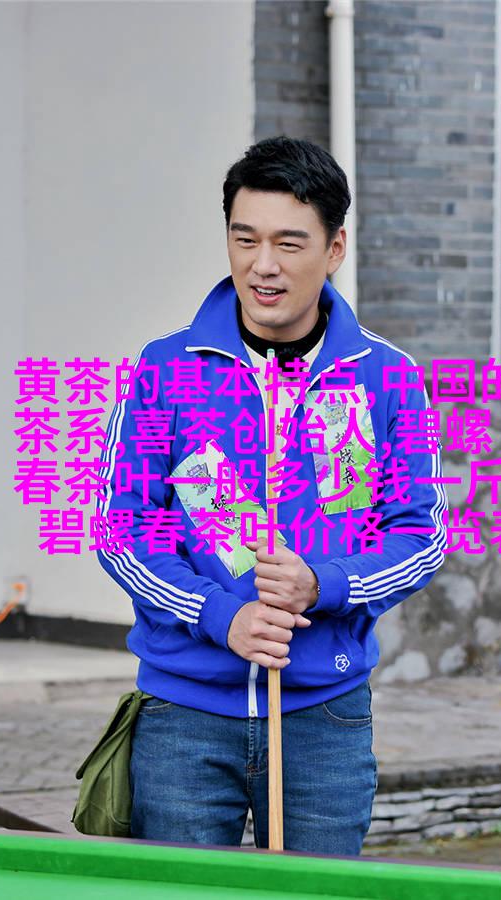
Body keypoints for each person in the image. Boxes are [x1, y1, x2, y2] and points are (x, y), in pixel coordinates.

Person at [96, 136, 447, 855]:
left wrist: (325, 583)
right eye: (245, 238)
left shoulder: (387, 378)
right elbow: (121, 530)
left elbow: (421, 537)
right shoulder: (163, 370)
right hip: (183, 717)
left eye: (289, 243)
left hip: (325, 716)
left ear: (335, 247)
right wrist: (221, 616)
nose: (263, 264)